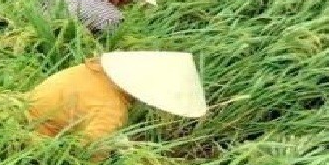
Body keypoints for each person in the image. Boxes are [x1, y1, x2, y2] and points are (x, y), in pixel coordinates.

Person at [26, 51, 207, 145]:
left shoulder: (93, 71)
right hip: (34, 139)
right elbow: (88, 152)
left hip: (18, 111)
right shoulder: (111, 109)